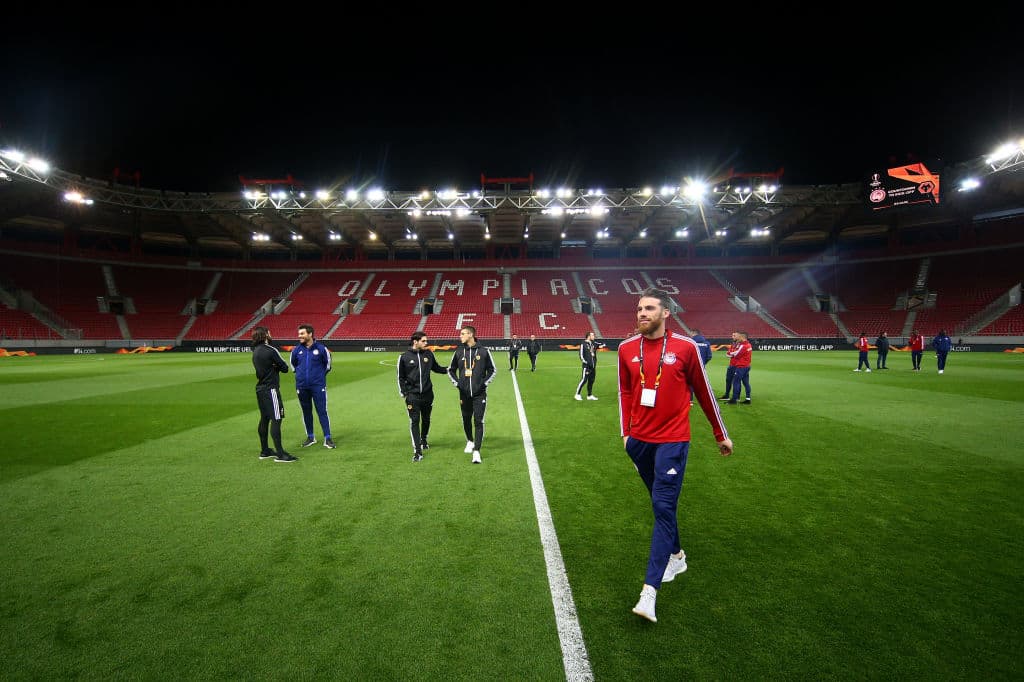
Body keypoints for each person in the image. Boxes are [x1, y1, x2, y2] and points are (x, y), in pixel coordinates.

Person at [618, 288, 733, 623]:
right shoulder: (626, 348)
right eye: (639, 308)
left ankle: (649, 592)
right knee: (661, 505)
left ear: (665, 313)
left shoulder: (686, 347)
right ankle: (677, 556)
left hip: (673, 440)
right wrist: (626, 433)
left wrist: (720, 434)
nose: (642, 313)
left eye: (649, 308)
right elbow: (625, 390)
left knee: (663, 505)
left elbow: (704, 392)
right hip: (639, 441)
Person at [397, 331, 449, 462]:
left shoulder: (428, 354)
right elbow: (400, 377)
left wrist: (451, 369)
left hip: (428, 394)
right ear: (415, 342)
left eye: (426, 340)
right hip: (412, 396)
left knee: (426, 419)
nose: (426, 343)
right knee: (414, 421)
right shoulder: (403, 357)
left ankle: (424, 439)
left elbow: (437, 368)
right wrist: (405, 393)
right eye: (424, 341)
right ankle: (417, 451)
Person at [448, 325, 497, 464]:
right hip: (463, 393)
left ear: (470, 335)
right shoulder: (458, 352)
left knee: (478, 421)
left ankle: (476, 451)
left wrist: (483, 384)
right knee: (466, 419)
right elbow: (451, 370)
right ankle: (470, 440)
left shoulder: (484, 351)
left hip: (479, 394)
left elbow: (492, 370)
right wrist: (458, 384)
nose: (460, 336)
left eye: (463, 333)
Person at [251, 326, 296, 463]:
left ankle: (265, 450)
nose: (271, 335)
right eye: (269, 333)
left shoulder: (255, 351)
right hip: (271, 389)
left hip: (260, 389)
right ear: (265, 335)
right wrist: (275, 366)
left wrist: (273, 366)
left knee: (264, 419)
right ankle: (280, 454)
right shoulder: (271, 350)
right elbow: (285, 368)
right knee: (277, 418)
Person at [290, 324, 335, 449]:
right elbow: (293, 366)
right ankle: (310, 437)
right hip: (302, 386)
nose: (299, 336)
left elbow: (328, 365)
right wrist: (301, 377)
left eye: (302, 333)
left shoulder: (321, 348)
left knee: (322, 411)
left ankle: (327, 438)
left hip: (318, 386)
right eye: (299, 334)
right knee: (306, 412)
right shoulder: (296, 350)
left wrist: (318, 377)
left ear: (310, 334)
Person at [574, 331, 605, 400]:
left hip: (593, 367)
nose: (594, 336)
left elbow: (601, 344)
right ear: (589, 336)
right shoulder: (583, 344)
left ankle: (589, 395)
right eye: (592, 335)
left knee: (591, 381)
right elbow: (581, 355)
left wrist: (602, 345)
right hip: (587, 366)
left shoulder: (594, 343)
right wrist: (586, 362)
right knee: (584, 380)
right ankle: (577, 394)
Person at [726, 331, 753, 404]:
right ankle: (748, 399)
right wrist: (734, 353)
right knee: (746, 383)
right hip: (747, 366)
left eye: (740, 337)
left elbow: (736, 355)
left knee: (736, 382)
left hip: (741, 367)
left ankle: (734, 400)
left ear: (743, 337)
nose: (738, 338)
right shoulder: (749, 345)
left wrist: (731, 353)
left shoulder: (743, 346)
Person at [689, 329, 712, 403]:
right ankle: (705, 399)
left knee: (690, 383)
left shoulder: (690, 342)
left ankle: (690, 399)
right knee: (702, 383)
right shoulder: (706, 343)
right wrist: (703, 363)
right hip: (701, 366)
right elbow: (709, 356)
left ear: (693, 333)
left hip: (691, 366)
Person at [719, 332, 739, 400]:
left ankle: (736, 397)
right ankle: (727, 395)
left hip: (737, 366)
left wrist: (731, 354)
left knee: (736, 382)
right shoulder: (733, 344)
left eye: (734, 335)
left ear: (738, 336)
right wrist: (732, 354)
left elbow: (737, 354)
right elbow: (728, 354)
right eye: (732, 335)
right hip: (731, 365)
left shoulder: (740, 345)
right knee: (728, 380)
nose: (732, 337)